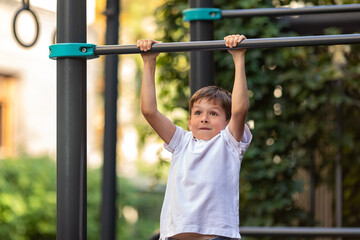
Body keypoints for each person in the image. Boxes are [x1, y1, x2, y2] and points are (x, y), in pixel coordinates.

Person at [137, 34, 252, 240]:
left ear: (227, 122)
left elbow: (240, 109)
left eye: (213, 113)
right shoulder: (181, 142)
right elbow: (149, 111)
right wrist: (149, 61)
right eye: (198, 113)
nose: (204, 119)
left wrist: (238, 57)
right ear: (189, 121)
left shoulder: (228, 143)